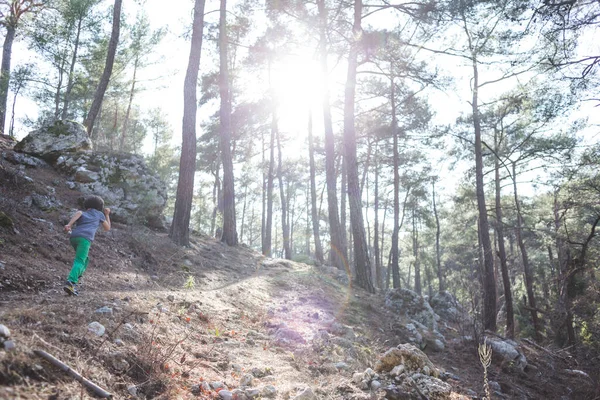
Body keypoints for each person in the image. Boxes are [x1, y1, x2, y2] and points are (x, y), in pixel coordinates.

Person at [63, 195, 111, 296]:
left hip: (74, 237)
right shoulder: (99, 214)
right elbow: (107, 228)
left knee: (85, 260)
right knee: (80, 260)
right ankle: (71, 281)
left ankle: (76, 278)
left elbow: (78, 214)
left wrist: (69, 225)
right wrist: (107, 214)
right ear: (100, 206)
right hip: (85, 239)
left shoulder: (82, 213)